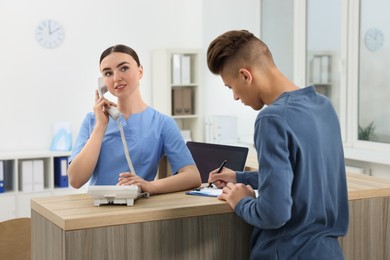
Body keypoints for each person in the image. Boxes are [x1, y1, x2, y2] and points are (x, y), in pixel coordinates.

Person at [206, 30, 349, 259]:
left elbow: (274, 214)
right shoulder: (324, 106)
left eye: (230, 87)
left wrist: (241, 201)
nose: (234, 96)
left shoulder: (272, 119)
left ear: (246, 75)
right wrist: (241, 178)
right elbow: (304, 178)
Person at [68, 44, 201, 195]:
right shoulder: (92, 120)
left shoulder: (162, 123)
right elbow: (75, 180)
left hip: (139, 209)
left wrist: (150, 186)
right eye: (108, 73)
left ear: (140, 71)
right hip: (97, 210)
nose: (116, 78)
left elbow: (192, 176)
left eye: (124, 68)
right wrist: (100, 126)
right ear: (102, 82)